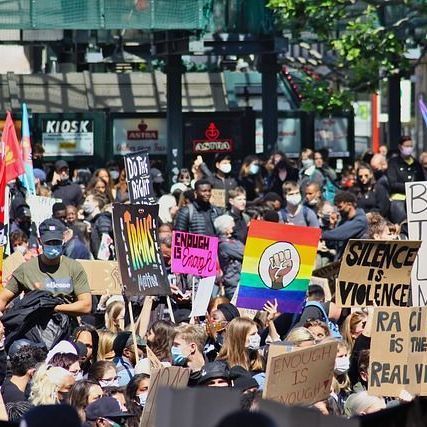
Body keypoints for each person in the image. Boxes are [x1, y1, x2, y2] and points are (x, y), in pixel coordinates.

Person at [0, 218, 92, 317]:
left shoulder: (74, 267)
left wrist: (53, 308)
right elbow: (3, 299)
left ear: (63, 239)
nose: (53, 246)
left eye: (56, 242)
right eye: (49, 242)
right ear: (40, 241)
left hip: (65, 325)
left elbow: (86, 305)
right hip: (34, 326)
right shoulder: (26, 269)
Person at [387, 136, 424, 223]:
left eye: (411, 146)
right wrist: (410, 188)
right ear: (400, 147)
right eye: (406, 146)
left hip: (415, 199)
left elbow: (421, 181)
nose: (409, 148)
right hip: (399, 200)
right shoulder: (393, 163)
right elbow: (393, 183)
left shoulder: (416, 164)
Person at [322, 191, 368, 258]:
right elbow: (332, 244)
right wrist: (332, 226)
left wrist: (321, 234)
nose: (338, 210)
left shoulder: (361, 221)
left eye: (340, 207)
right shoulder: (343, 221)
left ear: (349, 205)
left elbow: (341, 234)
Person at [214, 215, 244, 300]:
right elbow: (244, 252)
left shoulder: (232, 241)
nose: (234, 225)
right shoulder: (224, 245)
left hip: (238, 283)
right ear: (226, 227)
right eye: (231, 224)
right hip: (233, 285)